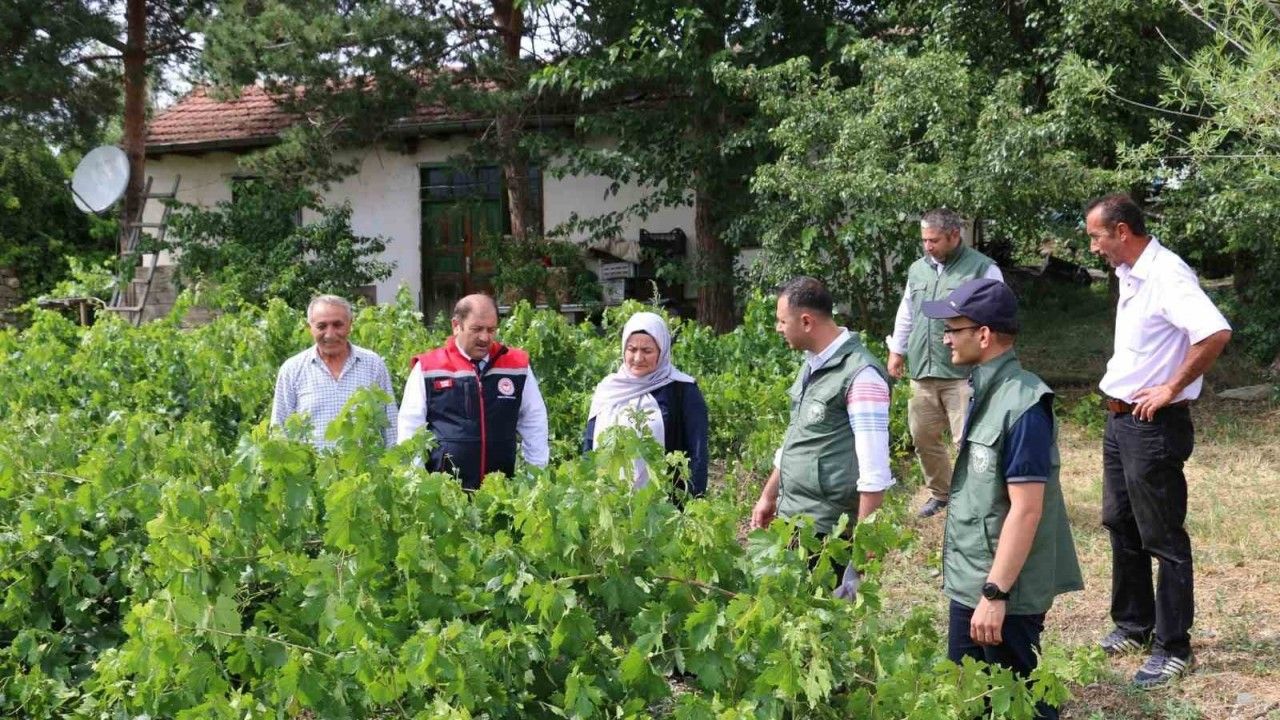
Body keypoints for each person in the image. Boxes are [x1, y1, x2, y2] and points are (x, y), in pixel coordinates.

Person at [1085, 193, 1231, 688]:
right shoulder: (1132, 275)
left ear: (1122, 231)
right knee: (1119, 522)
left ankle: (1174, 647)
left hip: (1154, 426)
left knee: (1162, 536)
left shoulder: (1167, 274)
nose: (1093, 246)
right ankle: (1134, 624)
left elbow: (1213, 332)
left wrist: (1171, 386)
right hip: (1120, 419)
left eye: (1096, 236)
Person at [922, 277, 1083, 720]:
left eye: (954, 328)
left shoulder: (1025, 403)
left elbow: (1027, 509)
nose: (946, 337)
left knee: (1022, 703)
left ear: (984, 335)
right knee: (970, 698)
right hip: (972, 578)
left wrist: (995, 594)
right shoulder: (984, 389)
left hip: (1002, 590)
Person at [750, 277, 895, 592]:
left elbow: (874, 471)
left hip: (828, 531)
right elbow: (797, 438)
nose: (778, 328)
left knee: (820, 627)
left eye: (781, 321)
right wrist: (769, 494)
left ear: (805, 321)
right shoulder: (812, 366)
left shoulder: (861, 376)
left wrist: (863, 547)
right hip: (792, 517)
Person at [886, 208, 1004, 519]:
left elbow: (999, 318)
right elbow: (907, 311)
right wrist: (897, 350)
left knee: (969, 441)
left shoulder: (983, 269)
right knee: (922, 436)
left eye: (934, 240)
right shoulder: (918, 270)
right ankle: (941, 493)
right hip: (922, 370)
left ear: (955, 235)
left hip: (963, 373)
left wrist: (989, 364)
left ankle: (978, 499)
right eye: (924, 240)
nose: (927, 246)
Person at [397, 293, 549, 489]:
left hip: (501, 491)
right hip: (445, 494)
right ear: (456, 326)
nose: (485, 337)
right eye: (476, 329)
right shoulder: (428, 368)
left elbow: (534, 420)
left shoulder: (516, 366)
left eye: (491, 330)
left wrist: (534, 478)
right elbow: (410, 428)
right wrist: (416, 485)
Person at [583, 312, 709, 497]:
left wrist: (694, 502)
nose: (638, 358)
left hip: (665, 508)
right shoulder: (608, 389)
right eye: (632, 349)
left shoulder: (682, 391)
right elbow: (589, 445)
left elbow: (697, 454)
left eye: (647, 351)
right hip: (610, 503)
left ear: (662, 351)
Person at [270, 294, 397, 448]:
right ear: (310, 328)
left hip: (366, 470)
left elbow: (391, 427)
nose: (330, 334)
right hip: (312, 470)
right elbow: (278, 430)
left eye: (338, 325)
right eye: (321, 326)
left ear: (350, 324)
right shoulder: (292, 369)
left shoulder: (373, 364)